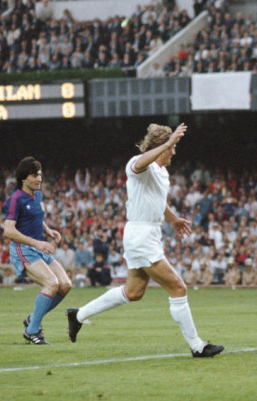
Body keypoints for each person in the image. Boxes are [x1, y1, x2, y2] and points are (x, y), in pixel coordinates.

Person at [66, 122, 224, 358]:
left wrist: (173, 219)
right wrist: (168, 142)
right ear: (162, 148)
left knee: (134, 292)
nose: (174, 151)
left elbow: (157, 200)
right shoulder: (136, 164)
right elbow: (140, 163)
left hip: (148, 233)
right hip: (140, 235)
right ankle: (197, 346)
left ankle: (77, 315)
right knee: (178, 287)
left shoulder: (162, 172)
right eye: (172, 147)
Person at [3, 157, 72, 345]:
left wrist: (48, 231)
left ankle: (33, 319)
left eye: (40, 174)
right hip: (23, 249)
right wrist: (36, 243)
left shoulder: (37, 196)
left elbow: (35, 218)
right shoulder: (15, 199)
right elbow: (8, 230)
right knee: (51, 283)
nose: (39, 178)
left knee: (65, 284)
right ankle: (32, 331)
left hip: (38, 247)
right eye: (35, 175)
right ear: (24, 178)